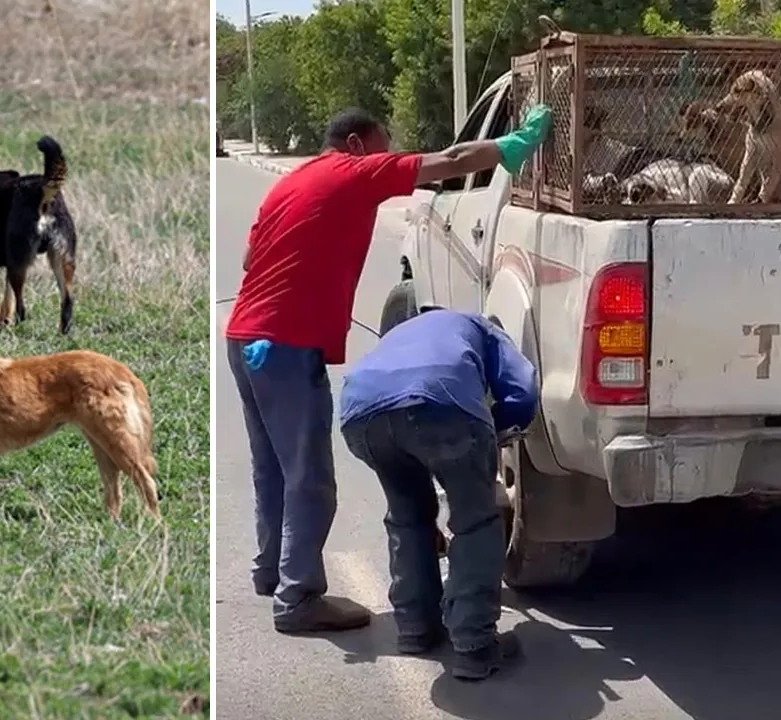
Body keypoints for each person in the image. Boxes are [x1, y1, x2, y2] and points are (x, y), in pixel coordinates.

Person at [224, 104, 551, 634]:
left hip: (244, 338)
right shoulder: (355, 170)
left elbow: (246, 258)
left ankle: (272, 571)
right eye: (384, 144)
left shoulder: (295, 180)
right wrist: (508, 147)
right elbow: (449, 160)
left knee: (273, 467)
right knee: (311, 479)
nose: (388, 154)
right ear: (357, 144)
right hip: (285, 345)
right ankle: (298, 599)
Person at [338, 309, 538, 681]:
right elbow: (523, 389)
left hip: (360, 411)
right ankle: (475, 645)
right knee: (475, 520)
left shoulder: (405, 333)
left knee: (408, 516)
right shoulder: (484, 326)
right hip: (439, 399)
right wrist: (493, 432)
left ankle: (415, 627)